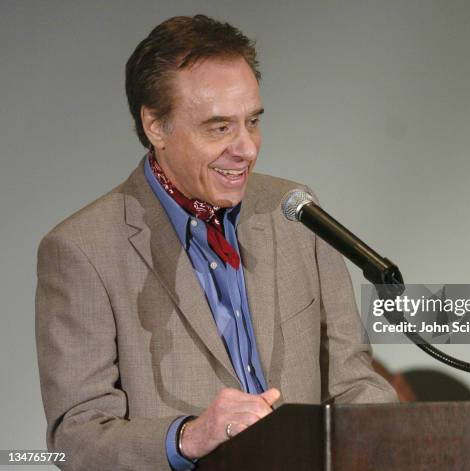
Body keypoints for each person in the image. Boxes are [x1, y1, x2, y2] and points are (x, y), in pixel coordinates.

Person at [35, 14, 398, 471]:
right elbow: (75, 438)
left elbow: (353, 384)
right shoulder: (81, 250)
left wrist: (389, 443)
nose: (245, 148)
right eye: (219, 127)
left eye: (252, 121)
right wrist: (189, 437)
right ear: (155, 126)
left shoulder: (295, 211)